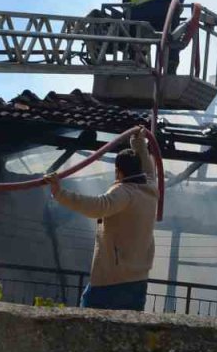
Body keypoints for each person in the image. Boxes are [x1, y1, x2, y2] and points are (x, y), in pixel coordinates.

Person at [45, 126, 158, 310]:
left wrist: (60, 193)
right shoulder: (151, 189)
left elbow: (98, 207)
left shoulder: (124, 192)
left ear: (118, 172)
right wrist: (139, 144)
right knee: (127, 334)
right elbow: (148, 168)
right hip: (138, 280)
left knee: (86, 326)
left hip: (112, 281)